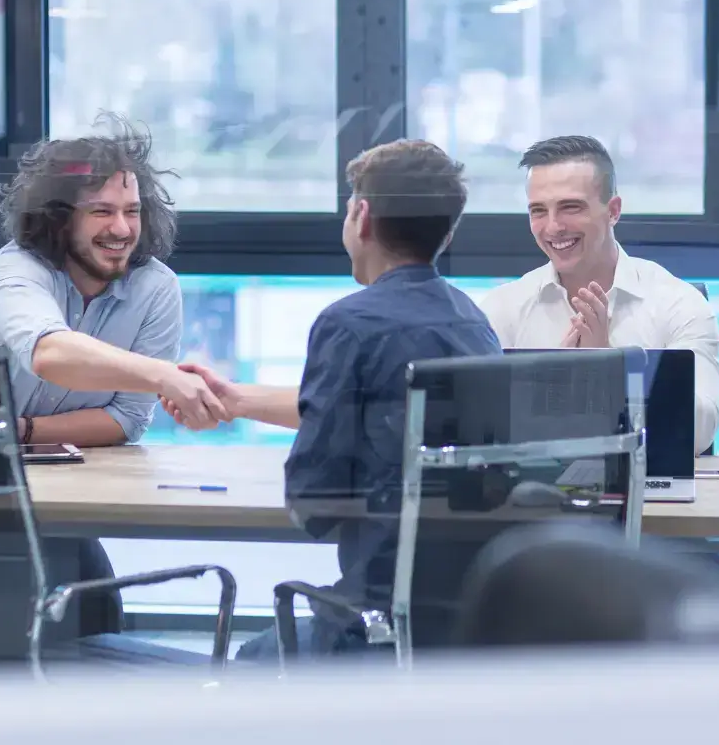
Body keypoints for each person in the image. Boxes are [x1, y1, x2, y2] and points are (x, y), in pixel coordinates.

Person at [159, 139, 502, 660]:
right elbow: (384, 420)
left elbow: (313, 500)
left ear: (360, 216)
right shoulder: (470, 320)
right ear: (447, 230)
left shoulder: (350, 323)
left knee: (247, 663)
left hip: (375, 625)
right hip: (458, 624)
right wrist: (240, 402)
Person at [0, 113, 227, 446]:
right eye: (102, 211)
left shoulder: (156, 287)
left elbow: (128, 419)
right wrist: (165, 376)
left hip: (89, 473)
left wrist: (23, 431)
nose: (122, 229)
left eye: (132, 211)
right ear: (59, 220)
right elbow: (49, 354)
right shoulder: (17, 267)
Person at [478, 136, 719, 455]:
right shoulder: (503, 308)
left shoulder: (677, 303)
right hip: (531, 497)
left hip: (655, 499)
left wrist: (611, 372)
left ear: (614, 211)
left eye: (570, 207)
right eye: (538, 211)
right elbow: (479, 430)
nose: (552, 227)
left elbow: (699, 431)